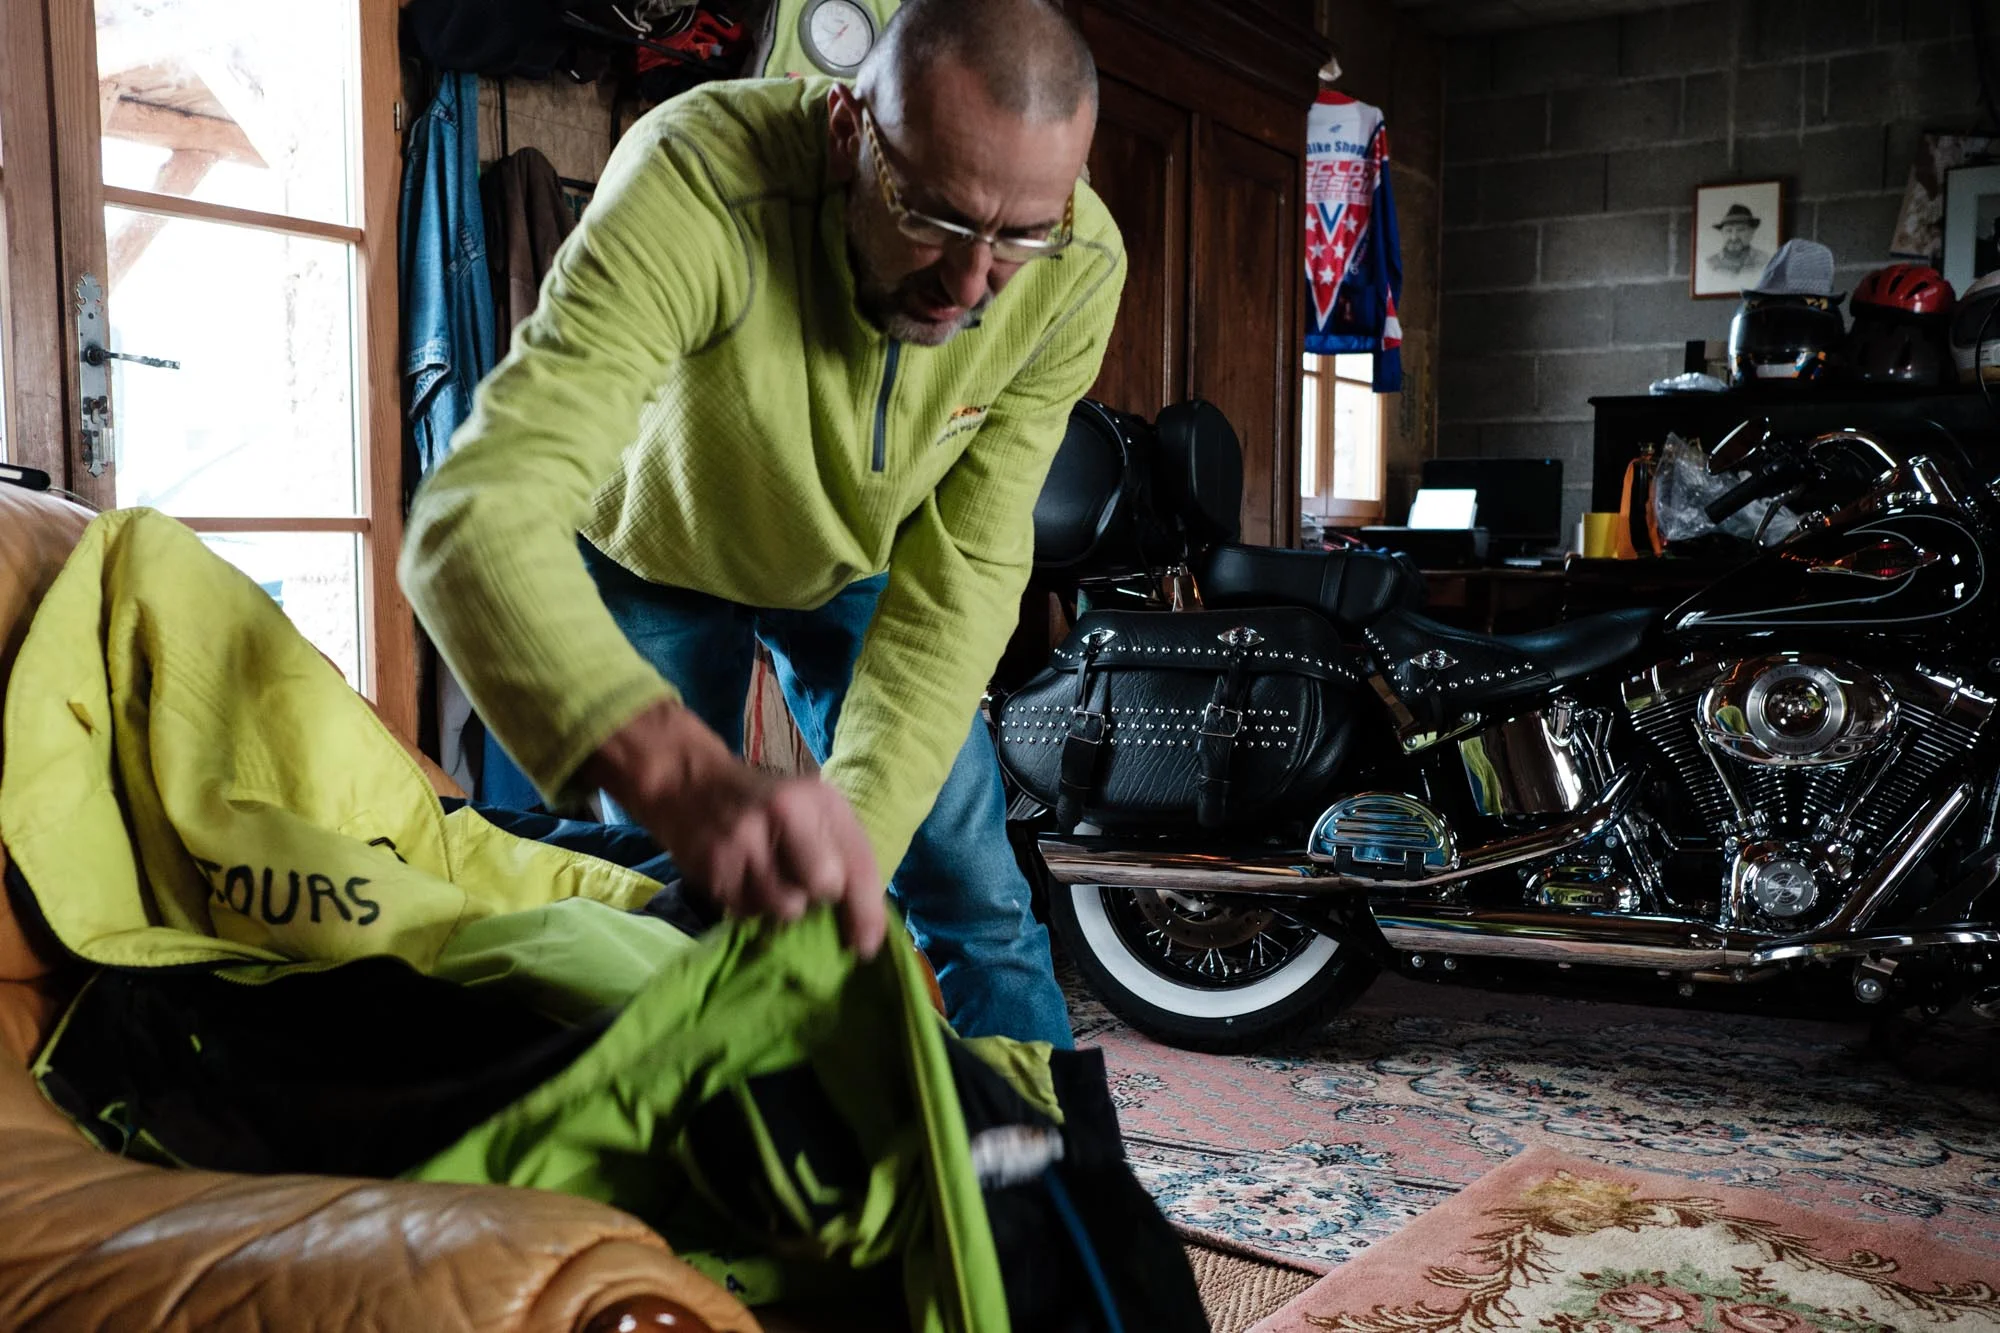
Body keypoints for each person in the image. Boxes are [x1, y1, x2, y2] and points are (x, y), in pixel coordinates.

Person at [400, 0, 1125, 1050]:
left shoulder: (1078, 270)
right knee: (681, 892)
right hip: (651, 547)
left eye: (1018, 235)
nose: (970, 286)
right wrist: (685, 784)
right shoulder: (693, 175)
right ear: (846, 131)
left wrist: (855, 856)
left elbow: (965, 566)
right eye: (933, 215)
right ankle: (688, 1157)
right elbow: (473, 514)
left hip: (855, 567)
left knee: (974, 890)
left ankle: (1052, 1187)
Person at [1708, 202, 1771, 279]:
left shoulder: (1765, 260)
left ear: (1752, 232)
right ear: (1722, 233)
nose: (1734, 237)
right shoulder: (1710, 263)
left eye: (1741, 230)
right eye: (1729, 231)